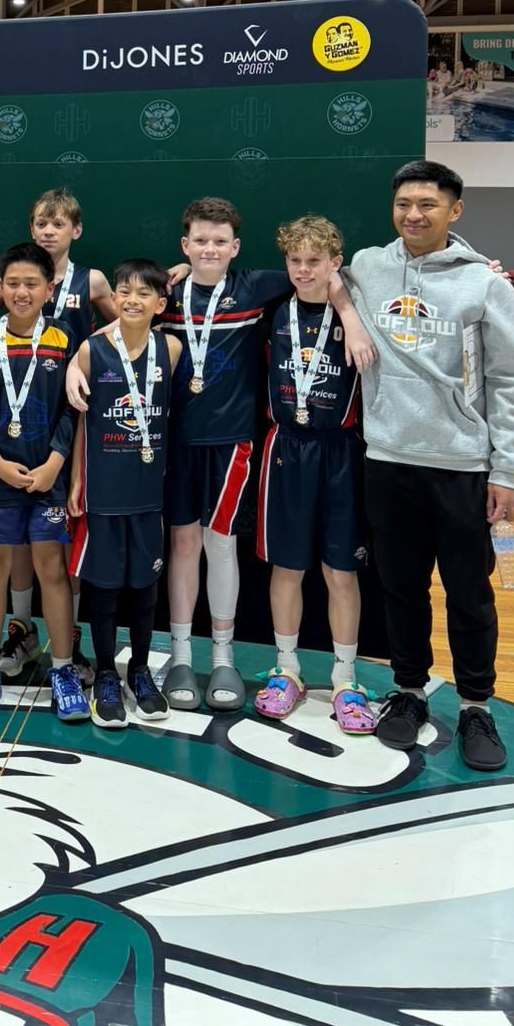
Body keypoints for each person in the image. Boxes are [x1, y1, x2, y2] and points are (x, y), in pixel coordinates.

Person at [72, 197, 373, 714]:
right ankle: (182, 655)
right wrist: (80, 363)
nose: (210, 249)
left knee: (222, 545)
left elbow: (327, 279)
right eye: (200, 242)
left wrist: (350, 315)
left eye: (220, 242)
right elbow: (126, 321)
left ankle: (224, 655)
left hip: (233, 444)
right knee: (182, 544)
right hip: (170, 444)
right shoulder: (166, 294)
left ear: (235, 247)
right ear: (185, 246)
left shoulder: (256, 287)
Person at [342, 159, 514, 771]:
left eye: (427, 204)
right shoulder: (371, 266)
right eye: (403, 203)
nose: (413, 214)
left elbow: (512, 378)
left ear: (455, 211)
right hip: (388, 459)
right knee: (400, 588)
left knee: (470, 593)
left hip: (461, 464)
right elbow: (322, 275)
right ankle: (408, 692)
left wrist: (506, 469)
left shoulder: (485, 284)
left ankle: (477, 704)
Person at [0, 189, 116, 686]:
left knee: (65, 529)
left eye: (58, 224)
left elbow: (128, 317)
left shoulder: (92, 279)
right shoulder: (18, 278)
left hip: (72, 413)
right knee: (16, 533)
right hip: (18, 415)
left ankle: (70, 635)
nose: (48, 231)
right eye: (41, 222)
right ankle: (21, 626)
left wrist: (85, 355)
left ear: (75, 230)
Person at [0, 241, 89, 724]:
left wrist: (56, 461)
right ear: (1, 287)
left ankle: (62, 669)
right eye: (12, 283)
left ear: (49, 289)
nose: (21, 291)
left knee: (51, 570)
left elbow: (75, 406)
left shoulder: (66, 340)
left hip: (47, 478)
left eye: (31, 283)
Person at [252, 217, 376, 735]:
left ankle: (346, 679)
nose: (304, 270)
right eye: (295, 261)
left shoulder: (359, 310)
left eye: (315, 261)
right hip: (286, 449)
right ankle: (288, 670)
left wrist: (347, 308)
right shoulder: (274, 312)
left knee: (340, 571)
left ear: (334, 263)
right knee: (288, 566)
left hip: (341, 449)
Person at [67, 258, 181, 728]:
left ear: (161, 303)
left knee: (144, 585)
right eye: (124, 292)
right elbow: (80, 423)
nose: (133, 300)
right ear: (113, 299)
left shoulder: (170, 349)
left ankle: (139, 669)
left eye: (143, 293)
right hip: (104, 489)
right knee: (105, 585)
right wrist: (76, 479)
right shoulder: (92, 351)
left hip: (149, 490)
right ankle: (107, 674)